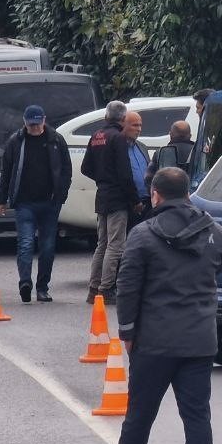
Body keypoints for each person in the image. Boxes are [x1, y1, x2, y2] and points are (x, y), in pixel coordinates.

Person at [83, 167, 222, 444]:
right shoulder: (215, 233)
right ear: (188, 193)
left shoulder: (143, 235)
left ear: (155, 195)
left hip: (154, 340)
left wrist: (127, 332)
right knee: (196, 416)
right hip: (199, 339)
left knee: (140, 414)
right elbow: (218, 267)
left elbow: (128, 286)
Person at [0, 104, 72, 303]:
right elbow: (7, 172)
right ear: (25, 123)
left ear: (44, 120)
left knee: (47, 247)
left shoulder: (56, 140)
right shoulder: (15, 141)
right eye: (32, 125)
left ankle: (42, 287)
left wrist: (61, 194)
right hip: (24, 202)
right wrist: (1, 199)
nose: (35, 128)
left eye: (38, 124)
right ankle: (25, 282)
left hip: (50, 202)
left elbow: (66, 170)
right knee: (26, 243)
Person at [81, 100, 141, 305]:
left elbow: (85, 168)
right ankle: (105, 289)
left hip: (102, 195)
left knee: (102, 244)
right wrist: (134, 200)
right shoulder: (118, 138)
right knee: (116, 245)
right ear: (123, 119)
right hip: (117, 198)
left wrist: (102, 178)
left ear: (106, 116)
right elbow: (125, 174)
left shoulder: (96, 135)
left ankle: (93, 288)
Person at [146, 120, 193, 189]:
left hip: (168, 197)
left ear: (170, 134)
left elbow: (148, 179)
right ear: (190, 135)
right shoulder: (198, 151)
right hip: (193, 196)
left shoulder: (160, 153)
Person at [124, 111, 151, 223]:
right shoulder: (118, 147)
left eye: (140, 125)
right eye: (135, 125)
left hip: (147, 203)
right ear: (123, 125)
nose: (139, 129)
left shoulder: (142, 147)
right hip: (128, 204)